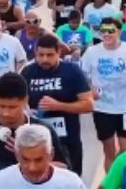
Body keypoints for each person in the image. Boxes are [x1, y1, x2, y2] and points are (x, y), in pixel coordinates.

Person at [81, 17, 126, 172]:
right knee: (109, 152)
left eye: (111, 31)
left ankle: (121, 180)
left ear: (119, 31)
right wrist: (90, 91)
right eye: (103, 31)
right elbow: (82, 76)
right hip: (102, 109)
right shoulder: (92, 53)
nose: (107, 34)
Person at [21, 34, 93, 176]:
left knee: (69, 182)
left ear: (59, 53)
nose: (45, 59)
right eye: (40, 55)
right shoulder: (28, 72)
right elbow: (19, 100)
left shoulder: (72, 71)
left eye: (50, 55)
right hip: (36, 141)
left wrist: (59, 105)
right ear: (35, 52)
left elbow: (89, 105)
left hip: (67, 140)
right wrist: (25, 110)